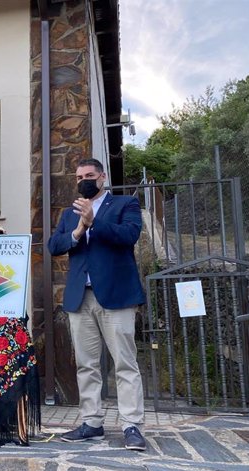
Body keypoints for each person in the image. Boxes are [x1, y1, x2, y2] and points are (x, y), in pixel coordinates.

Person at [47, 158, 147, 450]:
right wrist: (77, 231)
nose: (83, 180)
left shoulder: (125, 204)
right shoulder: (69, 213)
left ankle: (132, 426)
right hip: (81, 297)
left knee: (125, 364)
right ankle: (91, 422)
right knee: (86, 364)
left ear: (102, 177)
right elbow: (55, 246)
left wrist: (94, 221)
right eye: (79, 177)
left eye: (89, 175)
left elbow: (129, 236)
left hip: (117, 296)